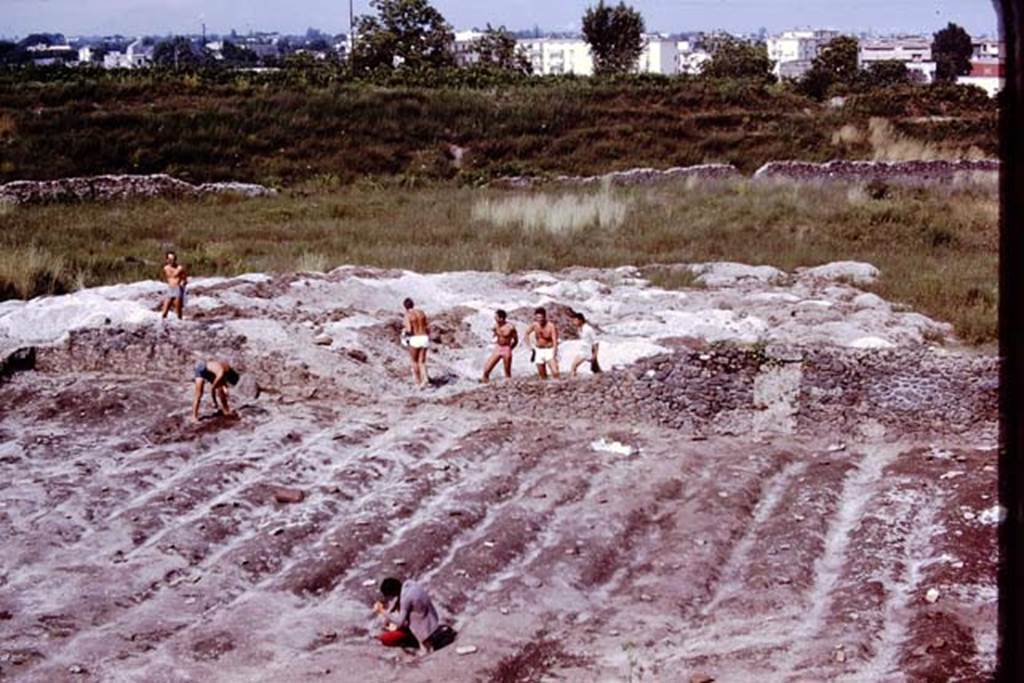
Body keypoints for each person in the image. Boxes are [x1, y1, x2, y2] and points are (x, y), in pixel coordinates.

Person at [373, 577, 441, 652]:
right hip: (433, 620)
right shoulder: (410, 584)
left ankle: (424, 646)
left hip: (424, 629)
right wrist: (390, 611)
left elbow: (400, 623)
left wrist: (382, 611)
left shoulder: (406, 598)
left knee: (386, 638)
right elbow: (402, 600)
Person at [481, 309, 518, 383]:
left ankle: (508, 386)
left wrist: (510, 349)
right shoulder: (495, 326)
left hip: (507, 348)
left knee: (507, 373)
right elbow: (494, 335)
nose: (494, 318)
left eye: (496, 317)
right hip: (498, 347)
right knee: (486, 369)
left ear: (501, 318)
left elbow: (516, 340)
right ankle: (484, 384)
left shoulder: (511, 327)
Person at [401, 298, 430, 388]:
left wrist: (403, 333)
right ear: (413, 304)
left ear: (405, 307)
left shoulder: (408, 315)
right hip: (424, 337)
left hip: (415, 338)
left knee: (414, 361)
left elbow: (409, 330)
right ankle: (426, 380)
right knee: (422, 361)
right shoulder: (421, 312)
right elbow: (426, 325)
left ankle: (418, 382)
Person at [525, 306, 559, 379]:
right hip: (539, 351)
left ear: (544, 317)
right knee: (542, 375)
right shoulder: (535, 325)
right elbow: (526, 333)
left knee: (555, 372)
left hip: (549, 350)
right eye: (537, 318)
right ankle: (546, 389)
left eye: (541, 317)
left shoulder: (550, 326)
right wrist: (529, 346)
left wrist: (555, 351)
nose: (539, 319)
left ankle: (560, 387)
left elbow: (555, 339)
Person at [570, 311, 602, 376]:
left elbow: (596, 342)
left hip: (588, 351)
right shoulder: (579, 329)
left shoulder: (588, 329)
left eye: (575, 320)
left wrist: (595, 355)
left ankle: (572, 381)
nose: (574, 322)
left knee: (573, 366)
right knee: (595, 369)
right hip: (583, 350)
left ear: (580, 320)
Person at [160, 251, 188, 320]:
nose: (171, 261)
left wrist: (182, 283)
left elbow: (185, 279)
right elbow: (165, 278)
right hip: (170, 289)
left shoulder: (180, 268)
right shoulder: (165, 268)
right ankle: (163, 327)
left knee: (178, 312)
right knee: (164, 312)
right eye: (169, 259)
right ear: (166, 260)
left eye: (173, 259)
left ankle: (180, 325)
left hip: (177, 289)